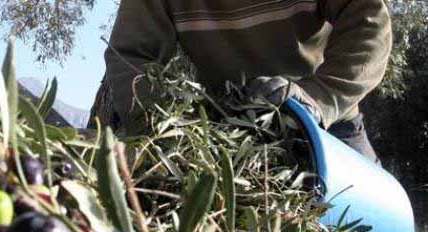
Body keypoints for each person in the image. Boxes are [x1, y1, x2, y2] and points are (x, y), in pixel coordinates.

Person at [105, 0, 392, 163]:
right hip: (226, 132)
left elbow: (368, 20)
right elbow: (130, 55)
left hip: (328, 124)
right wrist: (169, 127)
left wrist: (320, 97)